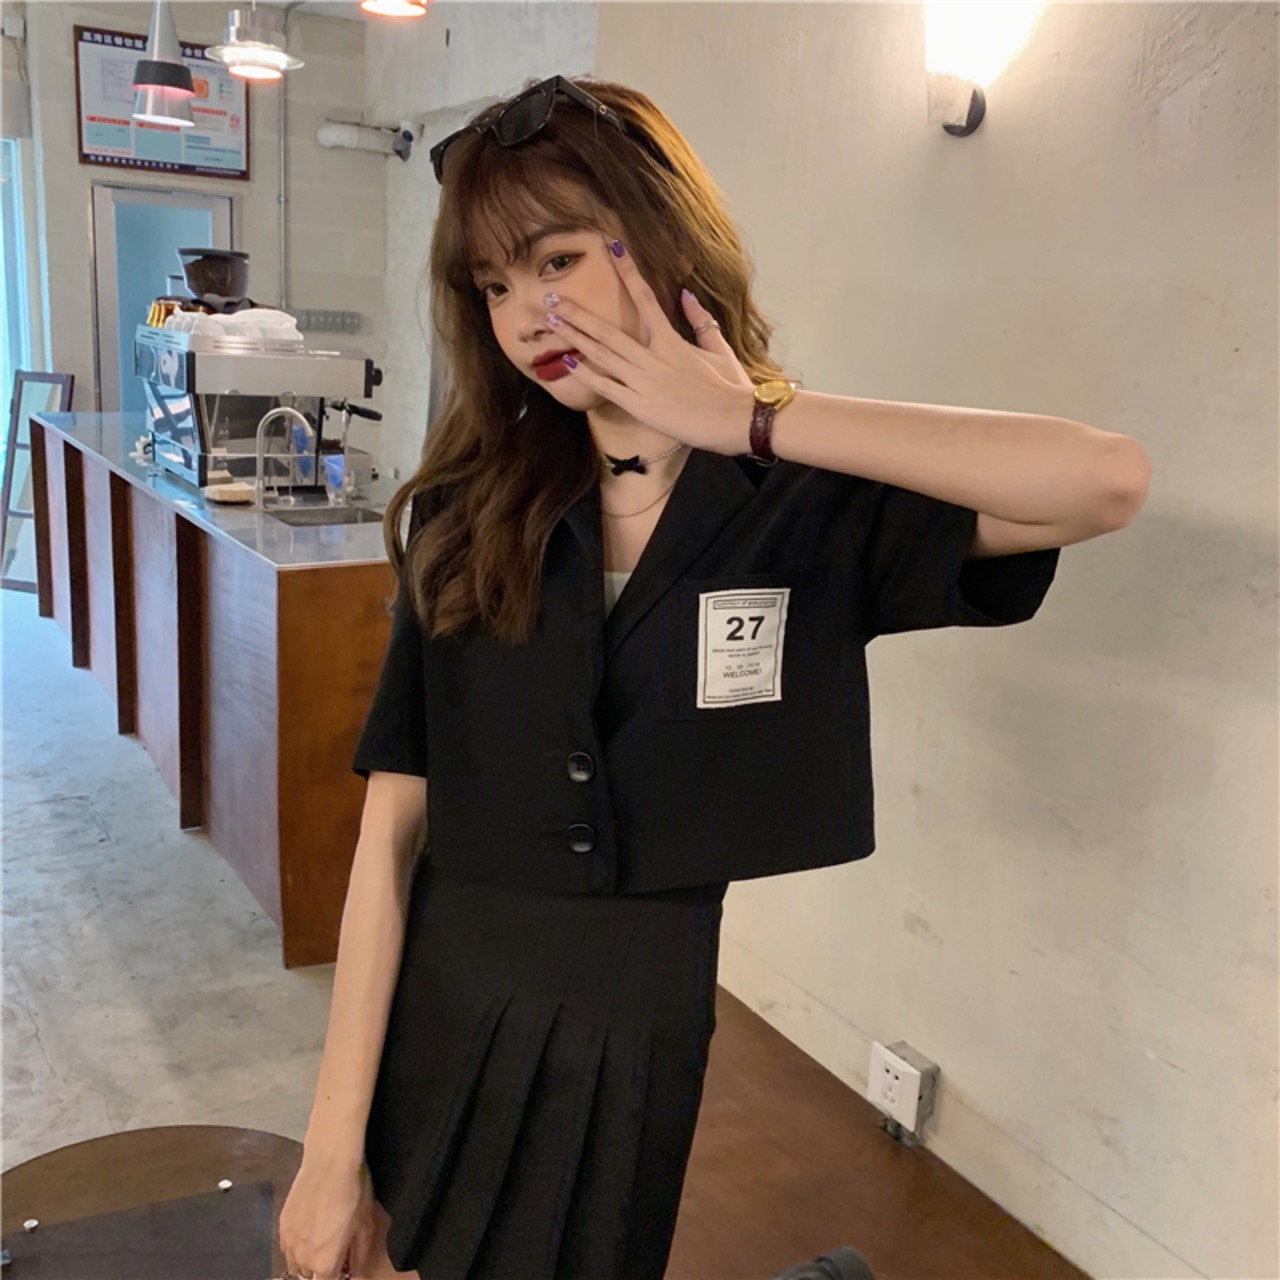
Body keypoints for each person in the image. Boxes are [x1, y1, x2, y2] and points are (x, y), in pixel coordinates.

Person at [277, 75, 1151, 1280]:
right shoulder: (469, 517)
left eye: (555, 259)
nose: (524, 313)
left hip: (639, 1032)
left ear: (659, 240)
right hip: (442, 996)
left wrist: (756, 419)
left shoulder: (794, 506)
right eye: (491, 285)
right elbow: (391, 831)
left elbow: (1100, 481)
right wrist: (329, 1150)